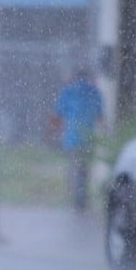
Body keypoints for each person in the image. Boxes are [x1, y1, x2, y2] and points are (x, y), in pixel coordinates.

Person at [54, 68, 104, 212]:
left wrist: (53, 132)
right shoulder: (94, 92)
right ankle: (82, 200)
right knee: (84, 170)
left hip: (72, 138)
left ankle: (75, 200)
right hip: (88, 138)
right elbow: (100, 116)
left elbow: (58, 114)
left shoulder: (69, 92)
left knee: (74, 169)